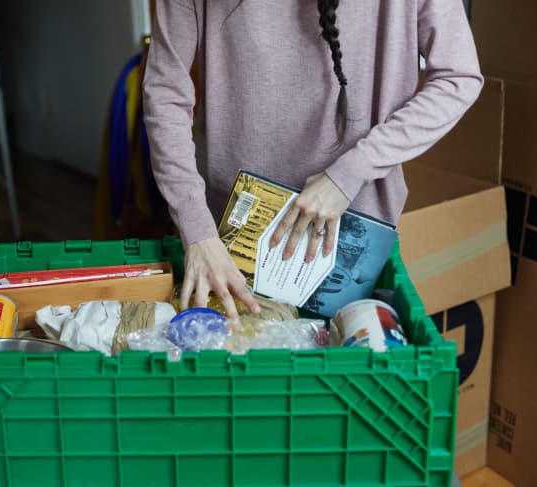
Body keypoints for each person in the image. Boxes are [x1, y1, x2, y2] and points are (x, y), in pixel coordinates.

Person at [143, 0, 483, 319]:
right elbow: (165, 92)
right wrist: (198, 230)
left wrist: (349, 173)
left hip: (353, 239)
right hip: (225, 235)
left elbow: (458, 78)